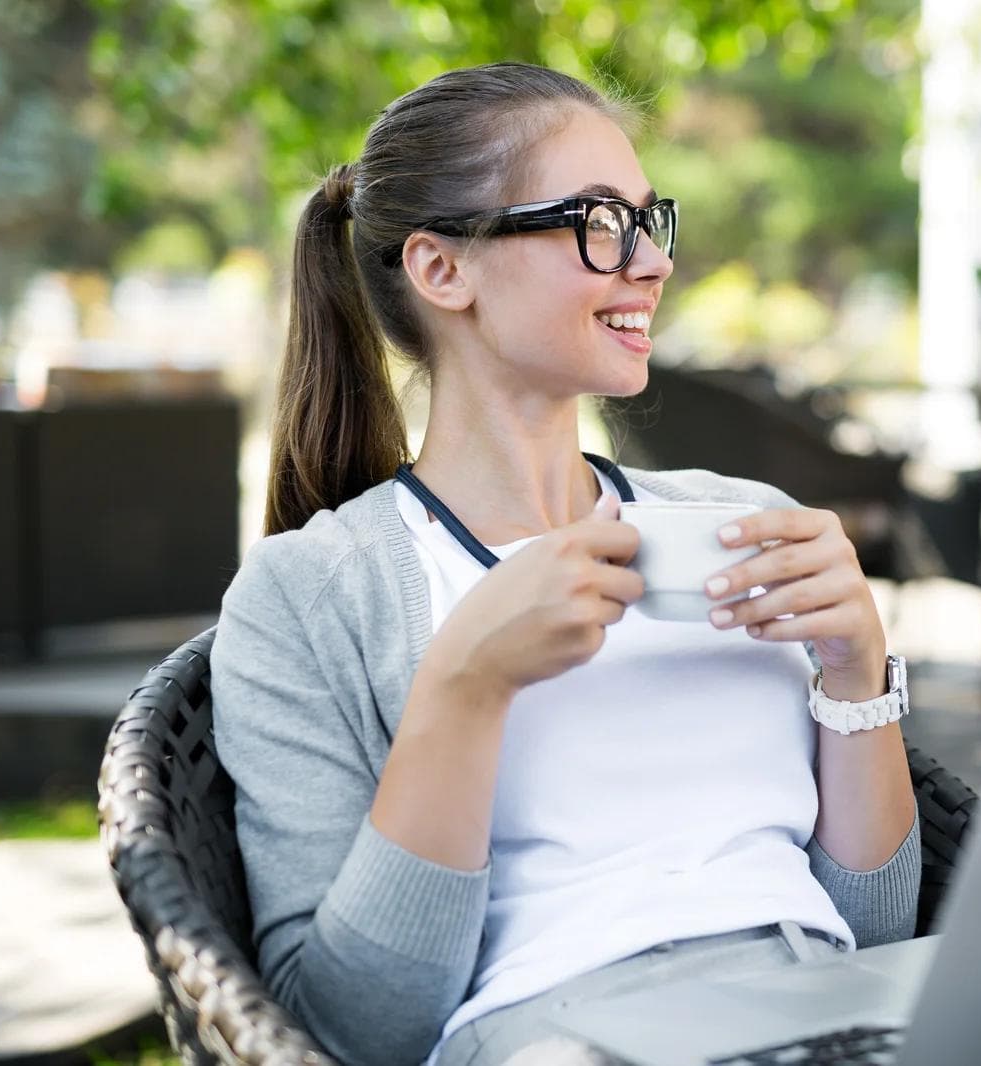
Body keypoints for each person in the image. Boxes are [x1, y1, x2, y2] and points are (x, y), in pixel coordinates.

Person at [211, 62, 919, 1066]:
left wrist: (856, 672)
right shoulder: (309, 596)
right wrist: (465, 684)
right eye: (596, 220)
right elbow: (351, 1027)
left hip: (829, 1017)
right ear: (442, 269)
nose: (651, 263)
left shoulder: (745, 524)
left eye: (648, 219)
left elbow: (877, 930)